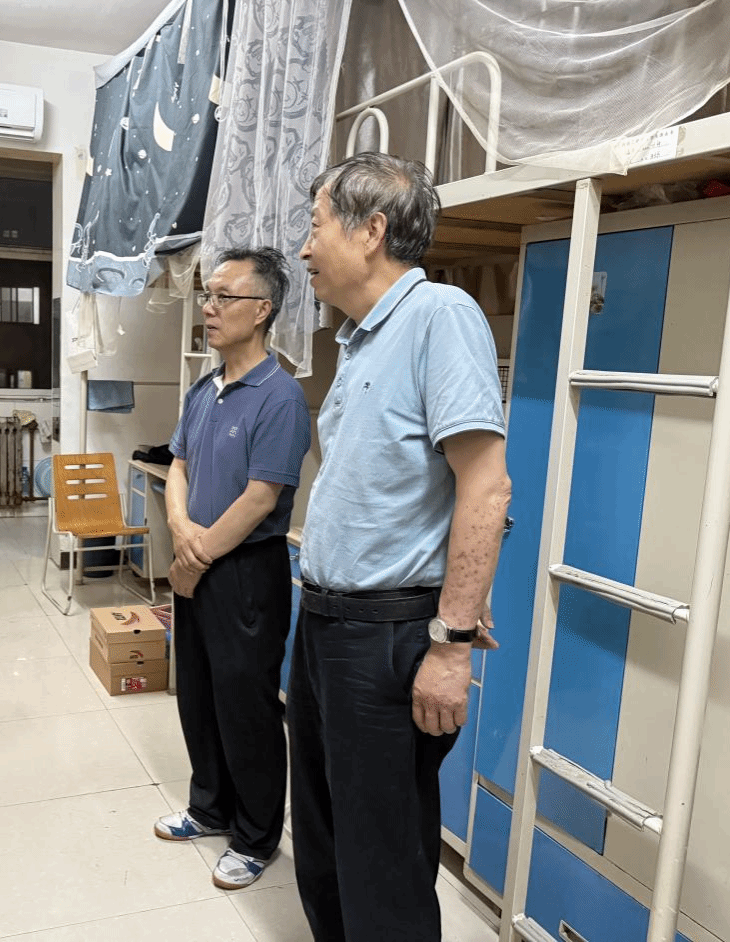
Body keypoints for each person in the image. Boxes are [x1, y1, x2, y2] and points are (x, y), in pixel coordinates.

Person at [290, 153, 511, 940]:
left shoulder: (439, 316)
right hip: (324, 621)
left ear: (372, 230)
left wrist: (451, 645)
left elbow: (486, 486)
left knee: (381, 860)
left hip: (385, 633)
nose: (305, 248)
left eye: (316, 226)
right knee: (323, 841)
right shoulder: (358, 339)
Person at [154, 247, 311, 890]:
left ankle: (255, 837)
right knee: (197, 694)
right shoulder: (204, 389)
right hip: (196, 558)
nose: (209, 308)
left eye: (224, 297)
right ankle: (209, 807)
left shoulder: (281, 397)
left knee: (246, 706)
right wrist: (180, 530)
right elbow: (178, 466)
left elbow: (260, 498)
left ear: (263, 309)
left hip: (246, 572)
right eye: (208, 296)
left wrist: (197, 556)